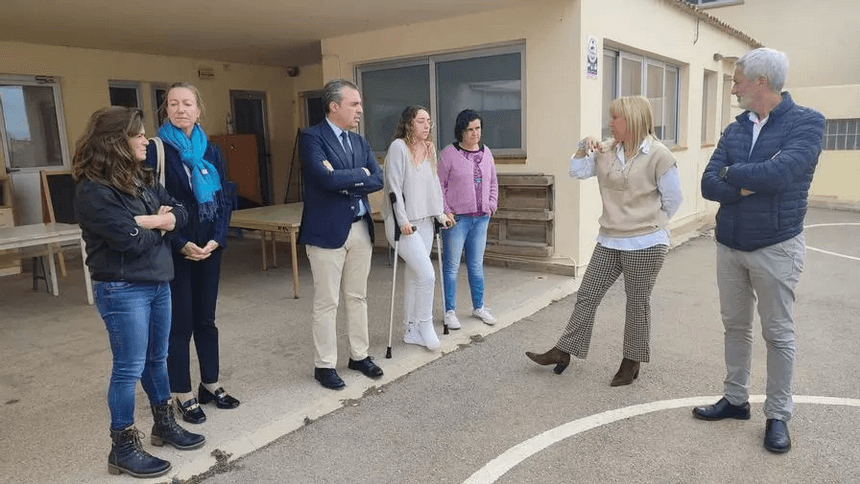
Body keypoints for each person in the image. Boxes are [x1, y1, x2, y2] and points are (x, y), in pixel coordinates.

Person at [693, 48, 824, 454]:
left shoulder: (807, 123)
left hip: (776, 246)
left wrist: (732, 173)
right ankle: (735, 400)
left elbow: (782, 173)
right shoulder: (735, 129)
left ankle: (778, 415)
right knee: (735, 327)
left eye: (737, 81)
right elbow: (708, 183)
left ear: (760, 82)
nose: (733, 89)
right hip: (730, 244)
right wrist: (745, 183)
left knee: (778, 333)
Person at [74, 106, 203, 478]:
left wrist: (153, 220)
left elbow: (182, 210)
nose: (146, 140)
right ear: (117, 140)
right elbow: (129, 241)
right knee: (128, 368)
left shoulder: (140, 176)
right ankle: (122, 448)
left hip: (158, 281)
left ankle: (163, 424)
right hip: (122, 287)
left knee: (156, 359)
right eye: (139, 134)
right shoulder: (94, 189)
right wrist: (162, 224)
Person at [525, 95, 682, 387]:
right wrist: (583, 147)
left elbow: (673, 199)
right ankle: (563, 351)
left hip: (646, 242)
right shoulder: (606, 150)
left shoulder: (659, 155)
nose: (609, 123)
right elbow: (576, 171)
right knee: (587, 294)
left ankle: (631, 361)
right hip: (610, 239)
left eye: (615, 118)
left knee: (637, 303)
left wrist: (648, 223)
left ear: (632, 120)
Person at [146, 83, 239, 425]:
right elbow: (151, 204)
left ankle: (210, 383)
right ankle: (182, 392)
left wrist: (217, 239)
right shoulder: (156, 151)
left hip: (209, 249)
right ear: (166, 110)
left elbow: (224, 200)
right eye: (173, 104)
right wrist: (180, 242)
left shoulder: (211, 151)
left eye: (187, 103)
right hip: (176, 249)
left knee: (206, 321)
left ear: (198, 110)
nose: (180, 109)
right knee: (180, 324)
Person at [298, 79, 385, 390]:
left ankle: (359, 356)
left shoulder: (359, 142)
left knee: (357, 297)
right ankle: (324, 365)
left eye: (360, 104)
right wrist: (359, 175)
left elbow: (378, 179)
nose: (360, 110)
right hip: (326, 232)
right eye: (354, 104)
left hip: (360, 228)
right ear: (334, 106)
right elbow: (325, 179)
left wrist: (345, 177)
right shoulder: (312, 137)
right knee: (327, 301)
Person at [381, 106, 451, 350]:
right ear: (409, 123)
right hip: (402, 224)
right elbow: (393, 187)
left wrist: (440, 213)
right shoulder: (398, 147)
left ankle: (410, 329)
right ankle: (424, 325)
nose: (426, 125)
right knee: (427, 275)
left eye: (428, 121)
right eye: (421, 121)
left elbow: (434, 184)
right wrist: (402, 221)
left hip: (425, 220)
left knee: (414, 276)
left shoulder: (430, 148)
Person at [437, 109, 499, 330]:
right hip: (457, 220)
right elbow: (439, 186)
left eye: (478, 128)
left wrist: (491, 204)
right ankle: (449, 311)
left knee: (476, 266)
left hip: (481, 219)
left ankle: (479, 307)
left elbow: (493, 181)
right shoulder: (448, 154)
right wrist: (446, 211)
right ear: (461, 131)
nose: (475, 133)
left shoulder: (487, 152)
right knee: (452, 266)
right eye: (470, 129)